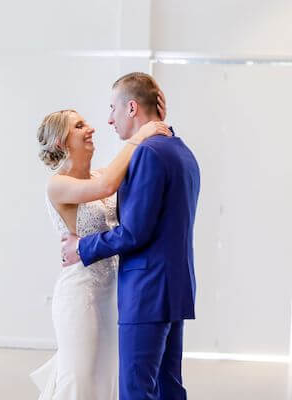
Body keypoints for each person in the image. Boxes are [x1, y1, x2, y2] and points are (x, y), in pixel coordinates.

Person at [61, 72, 201, 400]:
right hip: (174, 288)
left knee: (137, 391)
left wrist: (82, 247)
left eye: (113, 108)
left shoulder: (149, 153)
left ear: (132, 108)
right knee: (168, 388)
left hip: (147, 290)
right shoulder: (180, 150)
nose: (109, 119)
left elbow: (135, 232)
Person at [31, 90, 170, 399]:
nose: (91, 128)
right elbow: (105, 187)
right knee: (79, 378)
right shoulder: (58, 184)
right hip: (79, 295)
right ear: (60, 142)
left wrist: (154, 120)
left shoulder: (102, 173)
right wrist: (141, 134)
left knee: (105, 379)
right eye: (79, 126)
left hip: (110, 296)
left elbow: (125, 171)